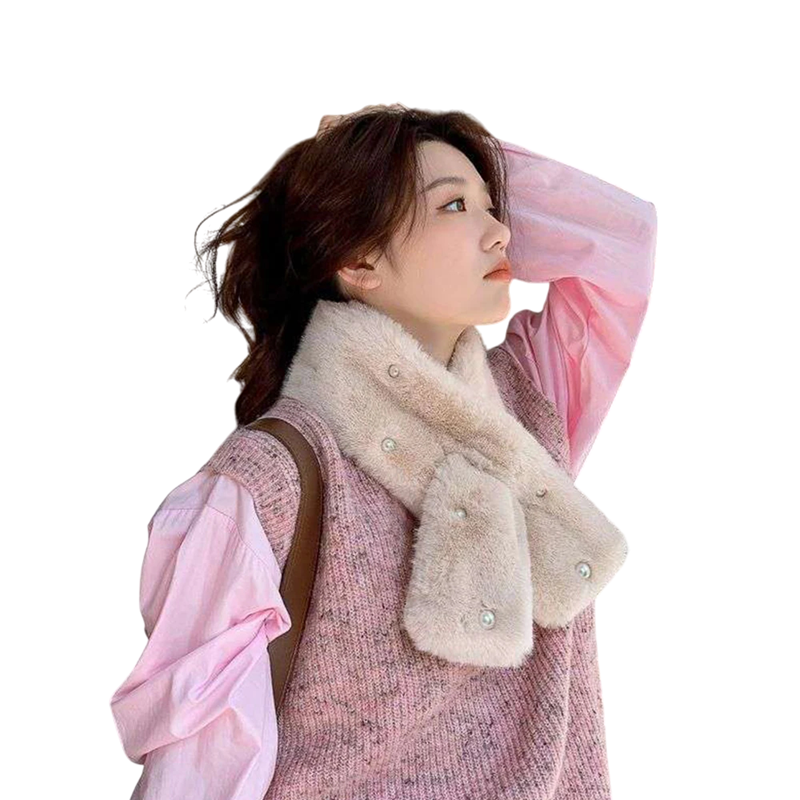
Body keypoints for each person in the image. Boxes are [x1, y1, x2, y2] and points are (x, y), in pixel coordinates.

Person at [110, 104, 657, 799]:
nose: (501, 233)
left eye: (496, 207)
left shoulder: (527, 411)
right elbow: (199, 767)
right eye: (455, 206)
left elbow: (621, 240)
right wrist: (358, 169)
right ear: (359, 260)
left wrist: (401, 142)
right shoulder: (267, 481)